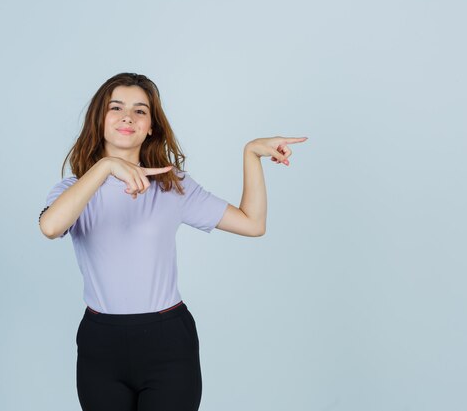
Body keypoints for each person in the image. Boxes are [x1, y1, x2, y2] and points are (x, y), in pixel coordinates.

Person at [38, 72, 307, 411]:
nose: (127, 116)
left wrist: (251, 154)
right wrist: (105, 168)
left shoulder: (172, 186)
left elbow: (253, 224)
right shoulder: (72, 190)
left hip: (167, 340)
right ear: (99, 120)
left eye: (140, 110)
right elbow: (50, 227)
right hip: (100, 342)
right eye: (116, 107)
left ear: (151, 126)